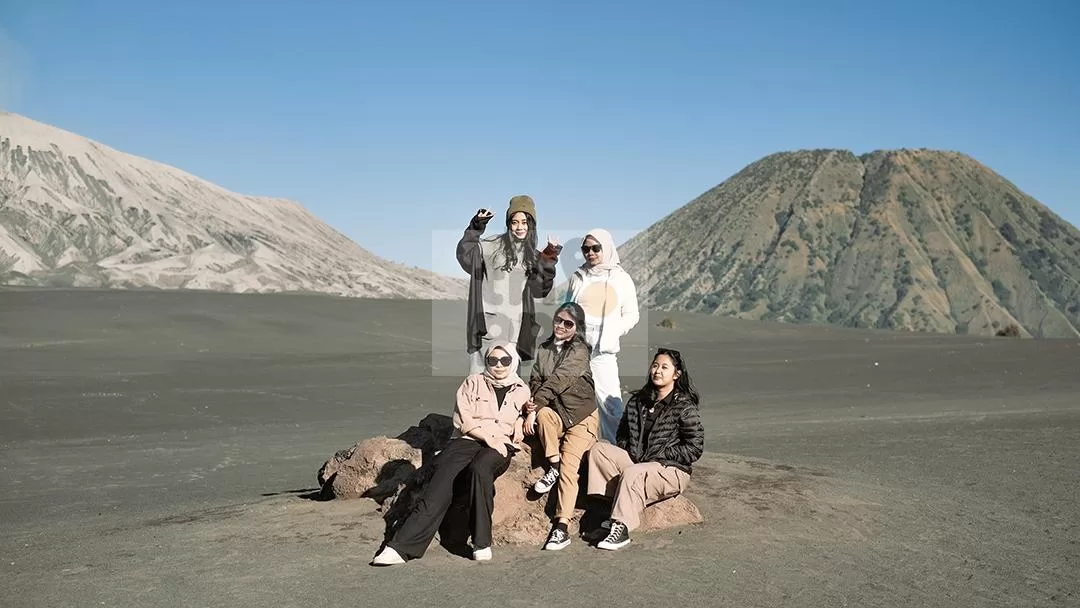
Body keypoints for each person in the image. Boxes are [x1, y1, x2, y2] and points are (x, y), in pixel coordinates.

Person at [371, 342, 530, 566]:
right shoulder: (472, 382)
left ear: (513, 362)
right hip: (468, 440)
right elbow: (462, 420)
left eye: (505, 361)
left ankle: (481, 542)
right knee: (440, 482)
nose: (498, 365)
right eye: (492, 360)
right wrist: (489, 438)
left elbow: (524, 414)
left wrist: (527, 419)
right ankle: (401, 547)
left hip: (501, 445)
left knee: (480, 470)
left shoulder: (522, 389)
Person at [586, 347, 704, 551]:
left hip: (671, 469)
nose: (658, 370)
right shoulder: (638, 401)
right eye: (655, 365)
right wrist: (629, 450)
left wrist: (660, 456)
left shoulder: (684, 407)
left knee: (633, 473)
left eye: (664, 367)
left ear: (676, 374)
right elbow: (622, 433)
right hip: (639, 463)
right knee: (599, 450)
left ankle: (621, 528)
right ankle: (611, 508)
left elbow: (695, 448)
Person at [456, 195, 562, 379]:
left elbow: (540, 290)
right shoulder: (491, 246)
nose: (519, 227)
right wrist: (477, 225)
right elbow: (465, 257)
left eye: (524, 222)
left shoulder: (534, 256)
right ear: (508, 223)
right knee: (479, 382)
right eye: (514, 222)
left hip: (517, 332)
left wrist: (549, 257)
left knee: (511, 385)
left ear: (531, 224)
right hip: (487, 330)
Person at [523, 302, 599, 551]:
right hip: (556, 414)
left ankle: (561, 527)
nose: (561, 326)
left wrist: (534, 405)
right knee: (543, 415)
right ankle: (552, 466)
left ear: (577, 328)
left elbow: (560, 379)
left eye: (568, 323)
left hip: (581, 418)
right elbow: (535, 379)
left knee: (570, 466)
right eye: (558, 320)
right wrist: (534, 410)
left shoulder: (580, 351)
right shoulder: (544, 349)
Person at [564, 228, 639, 443]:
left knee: (610, 406)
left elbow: (632, 314)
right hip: (575, 350)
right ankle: (576, 452)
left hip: (602, 353)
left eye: (596, 248)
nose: (591, 253)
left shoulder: (620, 278)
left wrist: (614, 332)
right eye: (585, 249)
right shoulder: (578, 277)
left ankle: (615, 452)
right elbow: (568, 308)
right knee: (572, 401)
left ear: (606, 248)